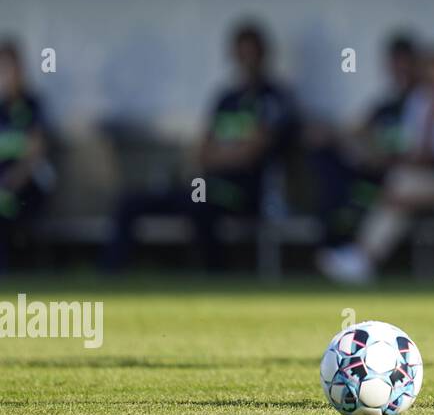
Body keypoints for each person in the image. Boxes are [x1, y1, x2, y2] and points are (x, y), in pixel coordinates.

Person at [103, 22, 298, 272]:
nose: (246, 60)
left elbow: (252, 154)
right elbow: (202, 152)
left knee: (199, 205)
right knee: (131, 202)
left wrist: (223, 154)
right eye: (241, 53)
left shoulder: (274, 98)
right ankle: (110, 277)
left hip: (245, 192)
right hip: (206, 185)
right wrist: (229, 152)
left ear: (262, 55)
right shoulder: (226, 99)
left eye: (252, 53)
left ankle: (214, 275)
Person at [317, 46, 434, 285]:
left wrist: (422, 197)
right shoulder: (422, 100)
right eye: (432, 80)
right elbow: (415, 155)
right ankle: (363, 259)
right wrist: (430, 123)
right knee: (399, 183)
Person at [309, 32, 420, 250]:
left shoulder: (424, 105)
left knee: (353, 192)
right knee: (326, 158)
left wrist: (382, 157)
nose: (401, 70)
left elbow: (424, 150)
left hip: (400, 175)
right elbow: (357, 130)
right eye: (396, 64)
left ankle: (345, 250)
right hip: (372, 172)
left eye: (406, 63)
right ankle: (332, 246)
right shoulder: (385, 107)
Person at [0, 40, 53, 273]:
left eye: (6, 69)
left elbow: (35, 152)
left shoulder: (32, 104)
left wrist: (9, 184)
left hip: (25, 188)